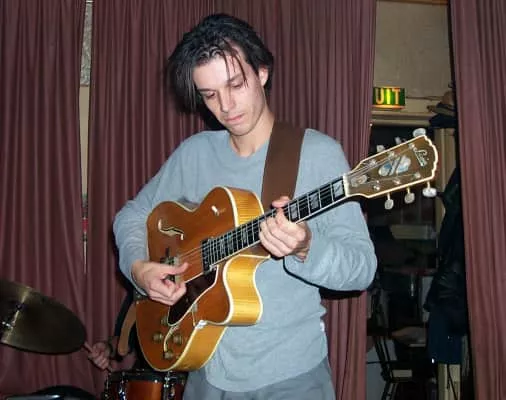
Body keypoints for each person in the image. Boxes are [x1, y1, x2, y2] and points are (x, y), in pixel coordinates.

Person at [113, 13, 377, 399]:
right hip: (205, 369)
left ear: (262, 72)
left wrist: (306, 247)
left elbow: (362, 268)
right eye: (209, 95)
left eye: (235, 84)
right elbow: (132, 215)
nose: (226, 105)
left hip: (291, 376)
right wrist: (139, 268)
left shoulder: (316, 154)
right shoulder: (194, 154)